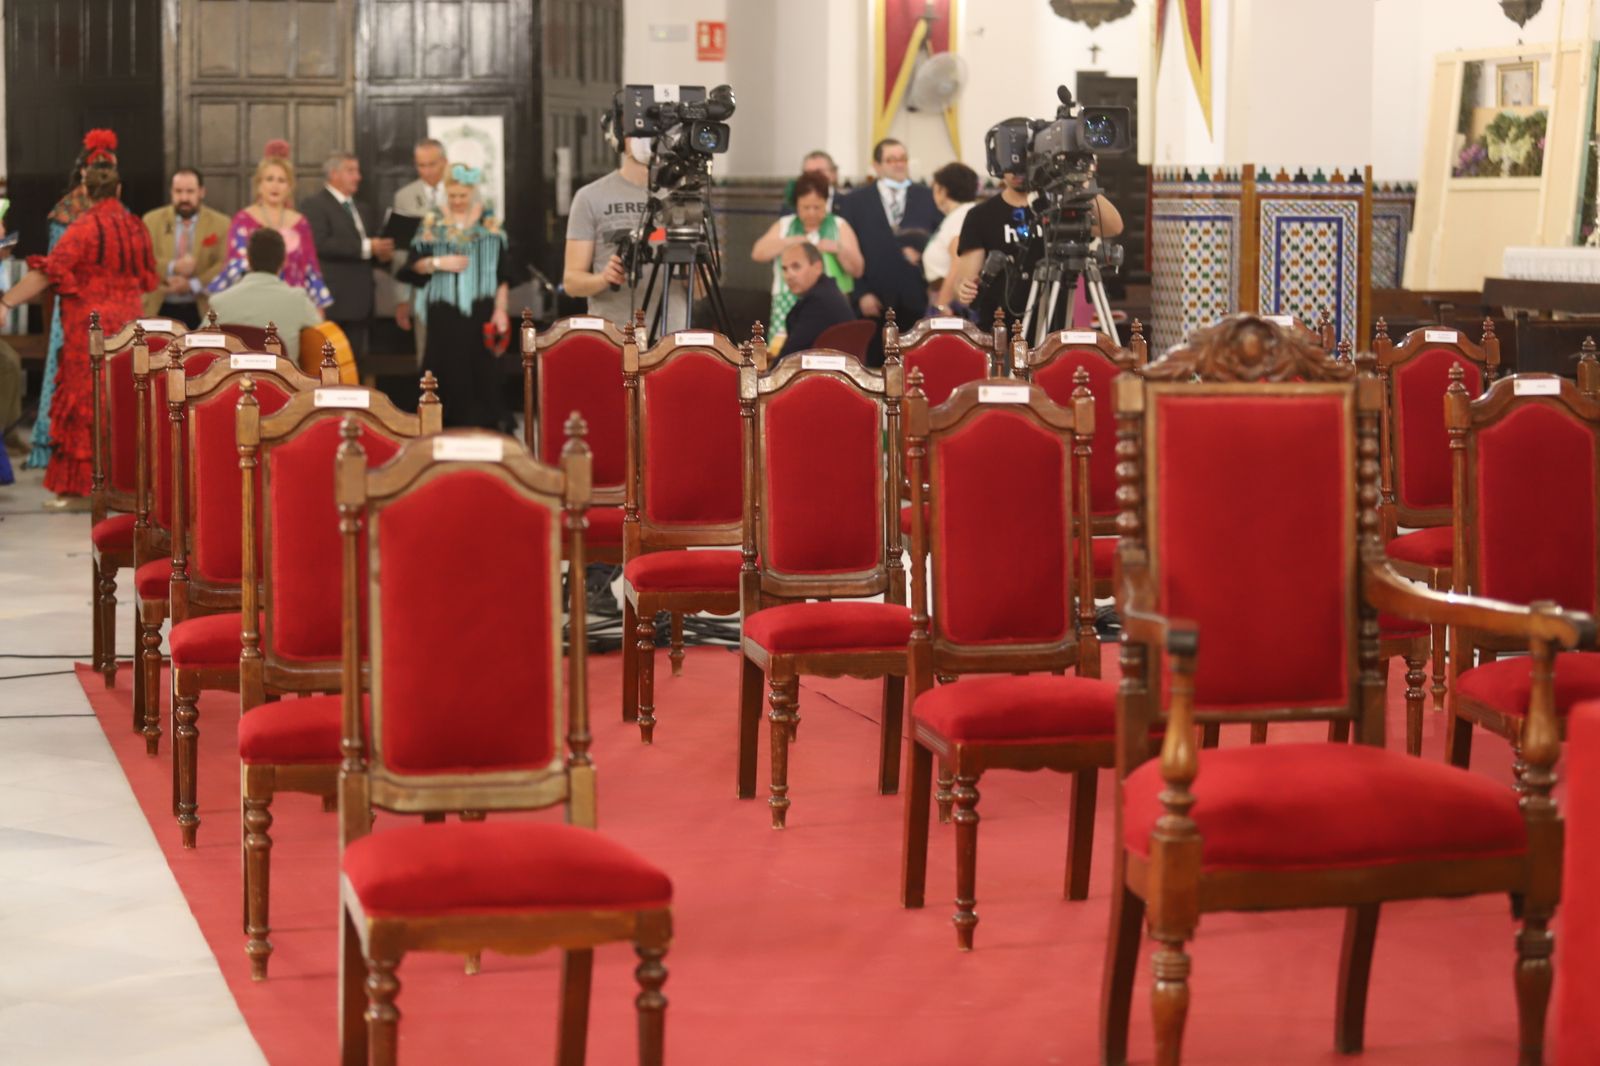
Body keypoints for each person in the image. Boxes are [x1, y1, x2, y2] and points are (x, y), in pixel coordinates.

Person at [0, 130, 158, 507]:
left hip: (88, 328)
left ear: (86, 191)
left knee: (85, 404)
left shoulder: (82, 227)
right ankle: (127, 484)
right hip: (130, 328)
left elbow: (48, 272)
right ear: (118, 191)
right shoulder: (135, 226)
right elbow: (149, 278)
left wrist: (6, 302)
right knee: (124, 403)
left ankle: (81, 489)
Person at [399, 164, 511, 429]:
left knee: (481, 372)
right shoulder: (432, 222)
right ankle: (438, 427)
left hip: (481, 310)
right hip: (443, 311)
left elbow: (503, 274)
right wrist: (438, 262)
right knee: (442, 369)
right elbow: (413, 265)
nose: (457, 201)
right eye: (452, 195)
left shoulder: (490, 223)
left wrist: (501, 310)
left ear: (473, 192)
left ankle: (483, 430)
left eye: (462, 195)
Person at [951, 167, 1124, 335]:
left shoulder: (1062, 207)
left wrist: (1080, 182)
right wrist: (963, 288)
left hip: (1055, 330)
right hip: (999, 331)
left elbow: (1113, 227)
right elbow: (964, 282)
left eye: (1023, 162)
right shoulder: (980, 215)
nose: (1017, 171)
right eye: (1011, 163)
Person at [833, 138, 942, 353]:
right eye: (891, 160)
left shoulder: (927, 196)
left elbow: (940, 238)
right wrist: (860, 293)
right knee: (874, 362)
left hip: (916, 294)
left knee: (914, 360)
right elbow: (847, 250)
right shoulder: (855, 201)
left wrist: (924, 259)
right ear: (877, 165)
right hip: (874, 296)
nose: (899, 164)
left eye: (902, 159)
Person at [24, 147, 94, 469]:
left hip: (106, 308)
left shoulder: (113, 211)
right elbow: (55, 265)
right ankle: (56, 451)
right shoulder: (66, 212)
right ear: (81, 172)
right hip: (71, 306)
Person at [208, 141, 333, 312]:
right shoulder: (243, 220)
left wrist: (319, 318)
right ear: (259, 185)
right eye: (269, 179)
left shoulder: (301, 223)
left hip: (292, 308)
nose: (275, 185)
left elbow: (311, 272)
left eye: (281, 180)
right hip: (251, 307)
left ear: (290, 187)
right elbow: (234, 269)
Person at [300, 152, 394, 372]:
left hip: (362, 303)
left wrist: (382, 254)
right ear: (333, 174)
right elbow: (320, 243)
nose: (358, 177)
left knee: (355, 367)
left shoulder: (363, 209)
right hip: (334, 301)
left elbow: (368, 249)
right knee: (330, 369)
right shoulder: (314, 205)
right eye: (351, 171)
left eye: (357, 171)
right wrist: (368, 247)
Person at [752, 171, 863, 351]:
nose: (811, 212)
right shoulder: (785, 225)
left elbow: (858, 269)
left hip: (828, 304)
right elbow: (758, 253)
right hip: (787, 301)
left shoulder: (839, 225)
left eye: (817, 207)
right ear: (796, 205)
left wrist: (838, 249)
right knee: (786, 354)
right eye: (806, 207)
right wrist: (791, 241)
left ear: (826, 204)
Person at [563, 128, 653, 335]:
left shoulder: (682, 198)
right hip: (613, 336)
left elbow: (699, 291)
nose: (648, 138)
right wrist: (604, 278)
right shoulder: (590, 197)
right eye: (639, 129)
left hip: (672, 340)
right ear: (621, 137)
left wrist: (702, 276)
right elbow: (571, 283)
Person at [208, 228, 322, 364]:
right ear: (284, 261)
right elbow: (322, 342)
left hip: (232, 383)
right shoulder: (298, 300)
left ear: (248, 260)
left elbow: (198, 348)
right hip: (284, 384)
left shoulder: (219, 302)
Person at [141, 168, 230, 327]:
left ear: (201, 192)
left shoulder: (221, 224)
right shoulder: (151, 220)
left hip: (202, 308)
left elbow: (223, 263)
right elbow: (143, 260)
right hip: (158, 306)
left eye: (190, 191)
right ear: (171, 192)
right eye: (178, 191)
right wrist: (172, 267)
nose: (184, 198)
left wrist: (192, 285)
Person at [390, 136, 448, 350]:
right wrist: (402, 298)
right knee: (427, 352)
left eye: (432, 164)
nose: (427, 171)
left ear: (445, 162)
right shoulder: (404, 196)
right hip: (421, 287)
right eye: (421, 165)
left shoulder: (464, 192)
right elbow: (401, 251)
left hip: (459, 286)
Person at [778, 242, 854, 356]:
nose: (789, 275)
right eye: (784, 269)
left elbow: (789, 357)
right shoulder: (827, 291)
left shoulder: (819, 301)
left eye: (796, 266)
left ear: (818, 267)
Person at [923, 162, 979, 314]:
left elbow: (958, 261)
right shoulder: (960, 214)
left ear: (942, 190)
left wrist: (942, 305)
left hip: (950, 302)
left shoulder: (961, 216)